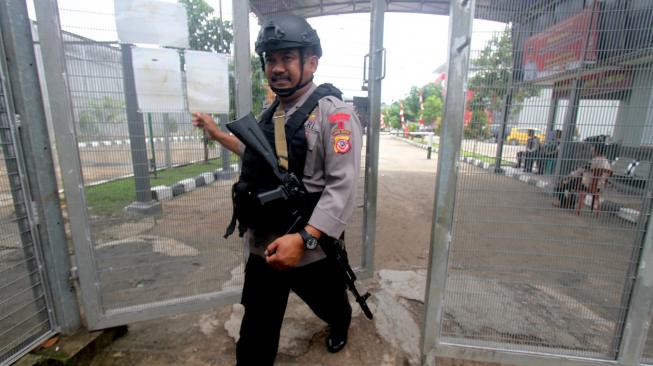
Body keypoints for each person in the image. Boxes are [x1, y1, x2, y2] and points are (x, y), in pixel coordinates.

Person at [191, 14, 362, 366]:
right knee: (255, 331)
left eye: (287, 57)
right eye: (271, 59)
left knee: (329, 304)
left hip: (310, 248)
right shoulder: (273, 113)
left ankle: (340, 323)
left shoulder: (335, 115)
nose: (277, 68)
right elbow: (264, 159)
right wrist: (217, 134)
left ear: (311, 62)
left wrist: (305, 239)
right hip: (263, 247)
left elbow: (342, 187)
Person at [555, 142, 612, 208]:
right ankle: (569, 203)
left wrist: (569, 176)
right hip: (599, 188)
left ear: (596, 151)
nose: (592, 152)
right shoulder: (608, 164)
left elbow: (581, 170)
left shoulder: (594, 161)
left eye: (593, 151)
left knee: (562, 184)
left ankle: (564, 203)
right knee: (571, 182)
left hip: (587, 185)